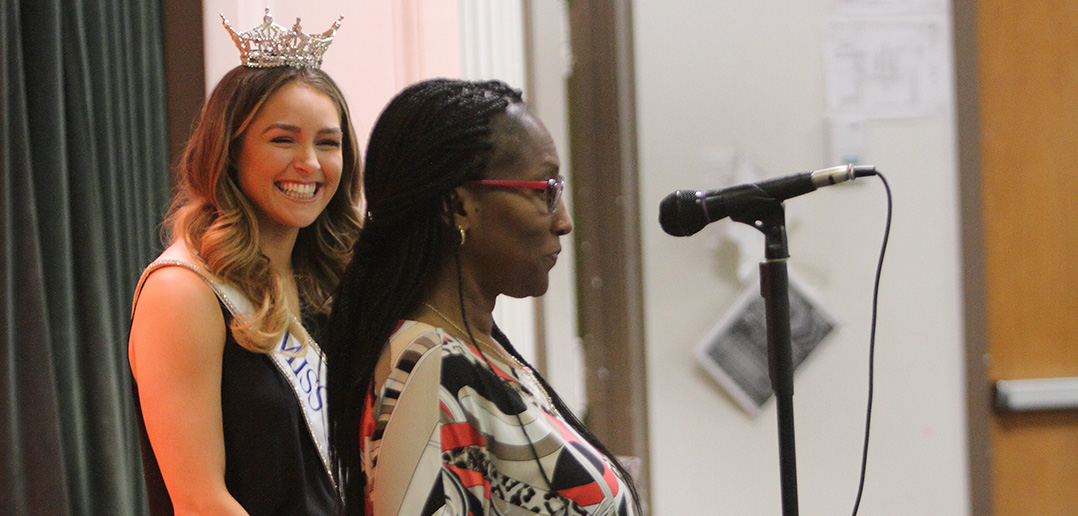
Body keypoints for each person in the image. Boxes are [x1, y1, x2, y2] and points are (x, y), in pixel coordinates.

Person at [325, 78, 640, 516]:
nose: (564, 221)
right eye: (546, 190)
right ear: (458, 206)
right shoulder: (432, 365)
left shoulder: (475, 351)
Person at [128, 11, 361, 515]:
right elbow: (200, 501)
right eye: (283, 139)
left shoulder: (330, 282)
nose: (310, 163)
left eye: (328, 143)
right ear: (229, 151)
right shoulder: (183, 291)